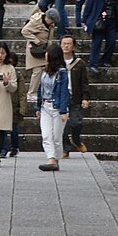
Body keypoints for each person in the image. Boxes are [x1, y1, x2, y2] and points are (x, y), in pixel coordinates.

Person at [34, 43, 70, 172]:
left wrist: (63, 110)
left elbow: (64, 92)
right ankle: (51, 159)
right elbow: (40, 88)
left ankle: (55, 159)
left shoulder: (62, 73)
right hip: (45, 106)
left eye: (47, 52)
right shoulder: (44, 71)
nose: (45, 55)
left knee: (56, 136)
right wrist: (37, 107)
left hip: (57, 106)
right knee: (46, 134)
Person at [60, 33, 91, 154]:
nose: (66, 46)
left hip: (75, 96)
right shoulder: (57, 62)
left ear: (73, 46)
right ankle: (65, 148)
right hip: (61, 97)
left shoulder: (79, 63)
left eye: (68, 44)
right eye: (64, 44)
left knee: (76, 122)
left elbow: (84, 82)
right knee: (62, 124)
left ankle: (76, 140)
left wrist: (85, 97)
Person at [86, 0, 118, 74]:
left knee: (111, 41)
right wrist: (84, 20)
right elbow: (89, 5)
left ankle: (106, 59)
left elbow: (116, 6)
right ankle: (93, 64)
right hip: (98, 20)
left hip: (111, 20)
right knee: (96, 42)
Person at [22, 2, 58, 101]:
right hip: (35, 48)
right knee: (37, 70)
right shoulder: (36, 21)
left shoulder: (50, 24)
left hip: (44, 49)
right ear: (48, 18)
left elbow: (50, 37)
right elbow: (24, 31)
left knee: (44, 69)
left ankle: (40, 91)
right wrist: (37, 41)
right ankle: (31, 93)